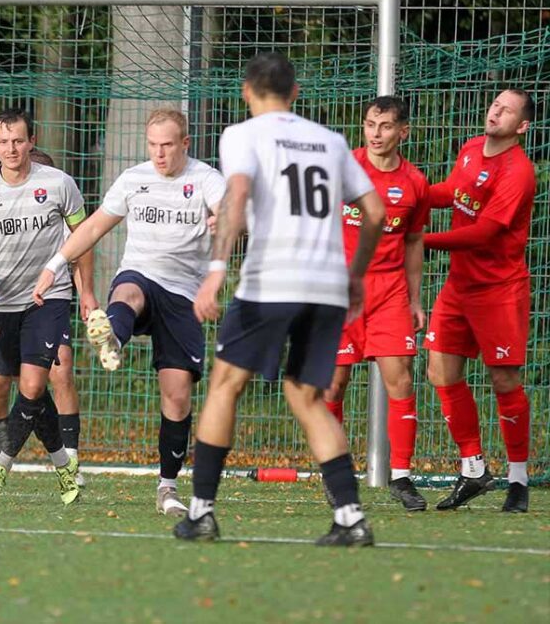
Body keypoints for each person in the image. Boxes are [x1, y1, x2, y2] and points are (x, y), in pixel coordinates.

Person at [170, 52, 385, 546]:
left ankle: (201, 512)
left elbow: (238, 194)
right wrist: (355, 277)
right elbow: (374, 212)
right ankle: (351, 518)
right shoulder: (331, 142)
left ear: (246, 92)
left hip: (272, 280)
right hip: (328, 286)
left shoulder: (243, 134)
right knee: (307, 395)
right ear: (295, 94)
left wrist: (216, 270)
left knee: (225, 383)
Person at [34, 108, 225, 517]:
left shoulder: (206, 178)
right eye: (153, 145)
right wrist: (54, 264)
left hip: (183, 294)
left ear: (185, 144)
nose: (159, 154)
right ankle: (112, 337)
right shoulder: (134, 179)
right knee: (129, 291)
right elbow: (94, 226)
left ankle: (168, 487)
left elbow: (233, 214)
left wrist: (223, 222)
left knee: (176, 396)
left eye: (167, 145)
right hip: (141, 273)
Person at [0, 109, 89, 505]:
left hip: (48, 299)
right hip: (1, 306)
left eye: (18, 141)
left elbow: (84, 237)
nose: (11, 148)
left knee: (32, 385)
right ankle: (64, 466)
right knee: (24, 392)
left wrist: (87, 294)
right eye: (4, 141)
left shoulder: (59, 184)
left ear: (31, 142)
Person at [423, 88, 536, 514]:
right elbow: (452, 191)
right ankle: (473, 468)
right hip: (459, 286)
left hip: (499, 290)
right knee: (440, 369)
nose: (496, 111)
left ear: (521, 126)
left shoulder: (518, 172)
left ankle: (519, 480)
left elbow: (485, 232)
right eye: (495, 104)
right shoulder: (471, 148)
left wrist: (421, 240)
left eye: (507, 110)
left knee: (504, 381)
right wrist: (410, 194)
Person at [321, 96, 431, 511]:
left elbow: (415, 241)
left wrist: (416, 299)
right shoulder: (343, 168)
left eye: (385, 126)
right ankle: (335, 474)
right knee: (334, 382)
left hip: (389, 292)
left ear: (403, 131)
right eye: (370, 124)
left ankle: (401, 477)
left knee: (399, 378)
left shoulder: (415, 183)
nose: (376, 134)